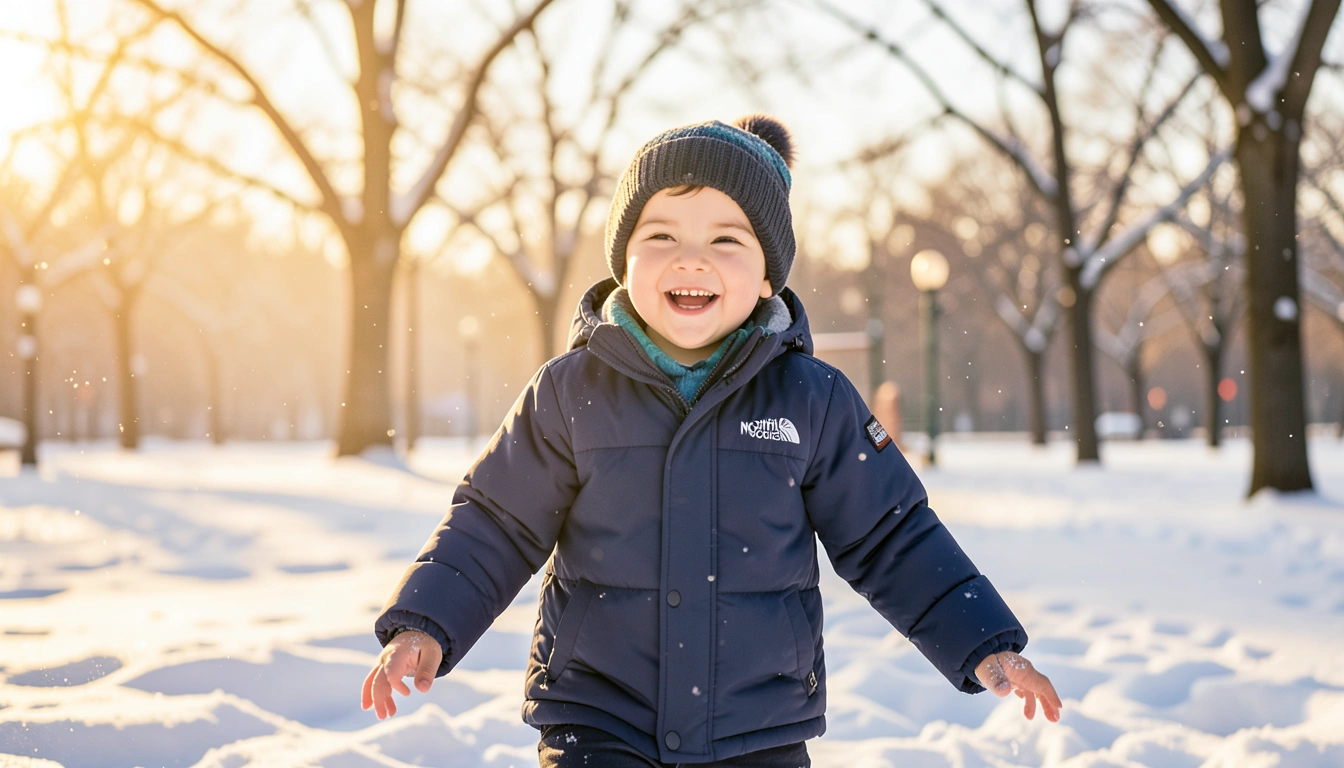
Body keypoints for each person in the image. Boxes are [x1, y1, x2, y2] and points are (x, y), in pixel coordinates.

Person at [361, 115, 1061, 767]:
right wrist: (425, 621)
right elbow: (496, 521)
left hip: (756, 727)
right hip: (600, 719)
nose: (689, 259)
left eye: (725, 240)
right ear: (624, 262)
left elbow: (892, 537)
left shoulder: (812, 401)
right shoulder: (571, 391)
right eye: (660, 236)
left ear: (766, 277)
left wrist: (983, 642)